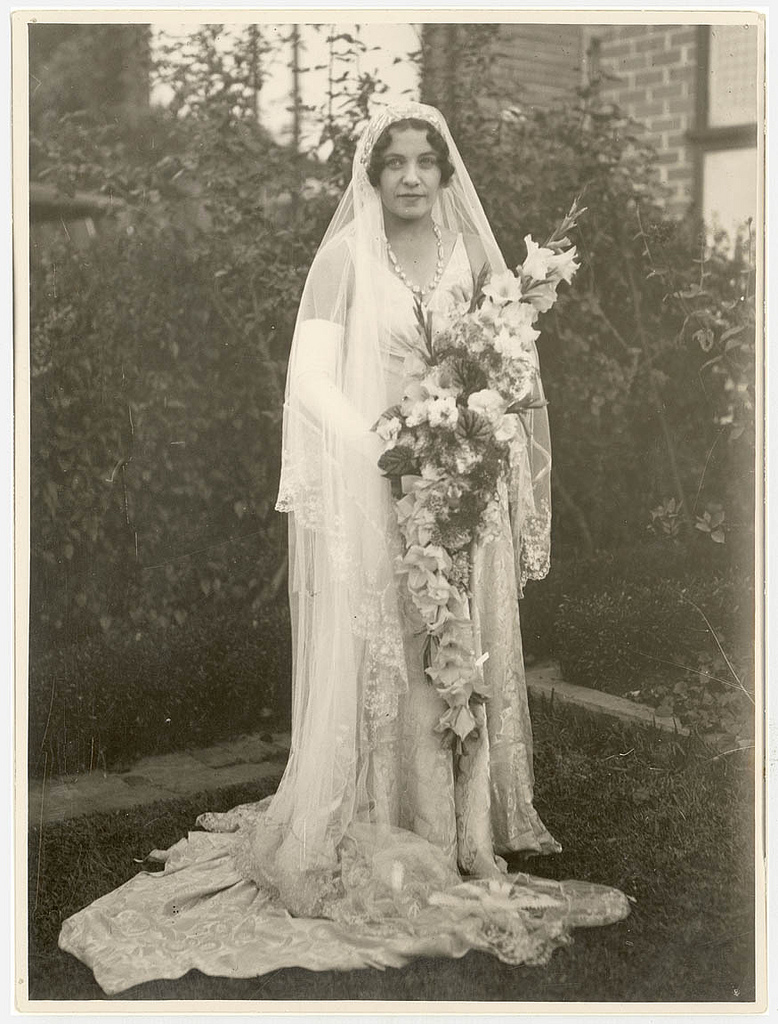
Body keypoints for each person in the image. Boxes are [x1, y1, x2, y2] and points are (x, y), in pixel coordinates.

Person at [59, 102, 629, 995]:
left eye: (425, 162)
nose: (411, 176)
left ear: (445, 174)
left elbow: (513, 369)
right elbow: (311, 381)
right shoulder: (345, 258)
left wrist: (478, 436)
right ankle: (395, 818)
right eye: (394, 162)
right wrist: (384, 448)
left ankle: (467, 828)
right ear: (373, 176)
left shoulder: (474, 261)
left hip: (464, 486)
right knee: (396, 648)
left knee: (463, 647)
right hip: (384, 483)